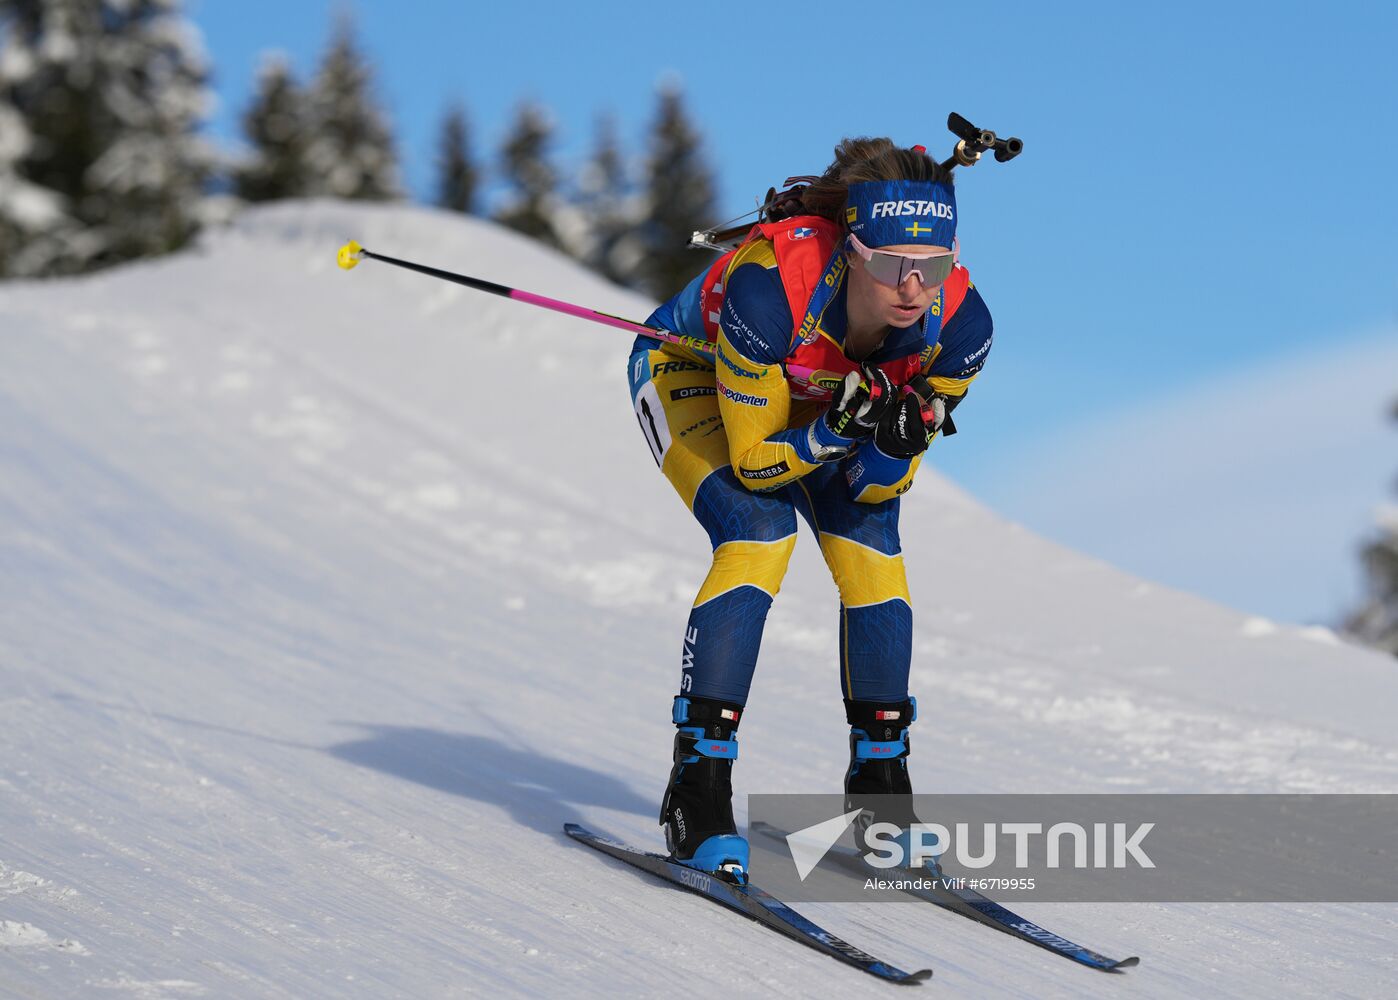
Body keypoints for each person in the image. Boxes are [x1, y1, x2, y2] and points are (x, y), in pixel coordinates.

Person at [626, 137, 994, 882]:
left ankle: (880, 790)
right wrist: (834, 431)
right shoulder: (773, 289)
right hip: (696, 373)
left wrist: (888, 446)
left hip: (819, 396)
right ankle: (696, 787)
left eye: (934, 265)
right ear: (852, 251)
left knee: (873, 557)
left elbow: (872, 491)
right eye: (892, 264)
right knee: (760, 536)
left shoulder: (961, 329)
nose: (913, 288)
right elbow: (760, 466)